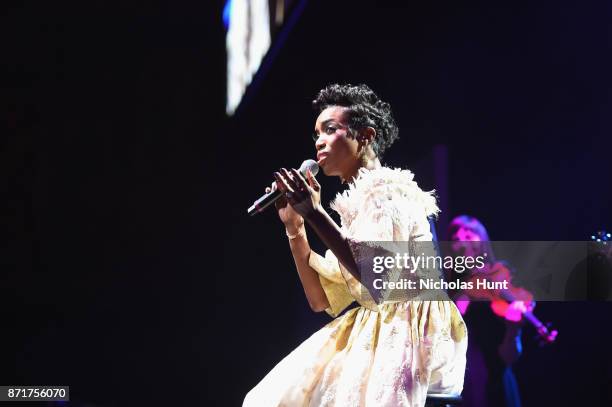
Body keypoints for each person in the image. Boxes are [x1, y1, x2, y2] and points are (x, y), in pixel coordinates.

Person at [243, 84, 467, 407]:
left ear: (365, 136)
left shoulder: (388, 190)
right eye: (316, 133)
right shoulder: (358, 206)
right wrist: (296, 226)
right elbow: (319, 299)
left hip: (410, 333)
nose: (319, 140)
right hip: (379, 323)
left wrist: (316, 213)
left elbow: (377, 279)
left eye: (330, 129)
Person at [446, 215, 531, 407]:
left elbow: (510, 357)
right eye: (455, 238)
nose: (461, 241)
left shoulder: (500, 278)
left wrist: (513, 330)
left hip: (496, 387)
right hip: (461, 384)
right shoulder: (449, 288)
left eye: (468, 235)